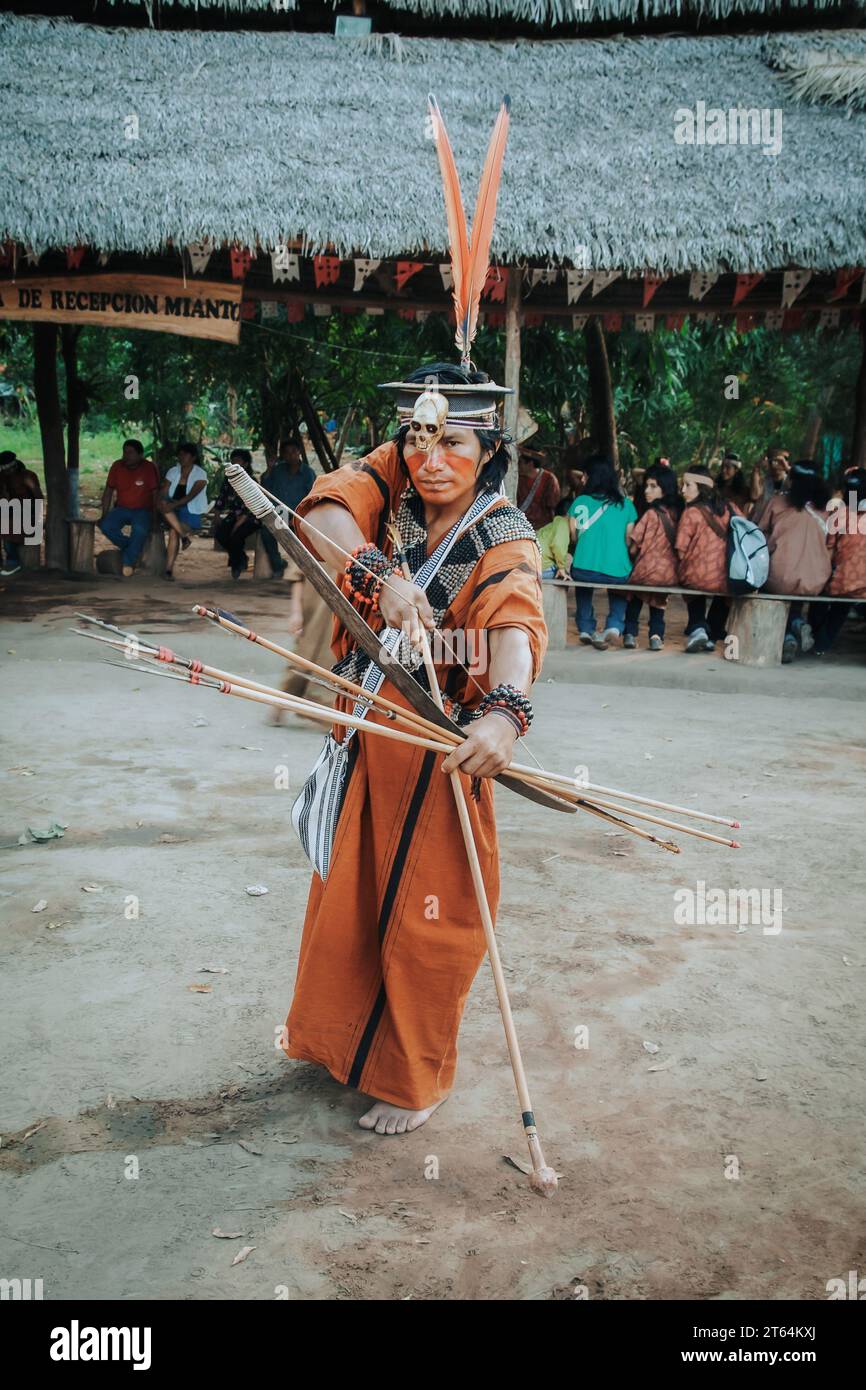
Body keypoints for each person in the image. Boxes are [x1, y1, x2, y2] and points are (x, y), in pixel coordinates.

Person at [278, 360, 546, 1137]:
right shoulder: (389, 476)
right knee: (348, 899)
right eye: (420, 441)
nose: (433, 461)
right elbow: (322, 515)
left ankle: (416, 1078)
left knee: (432, 919)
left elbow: (514, 620)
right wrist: (373, 572)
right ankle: (340, 1046)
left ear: (488, 450)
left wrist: (504, 715)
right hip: (364, 731)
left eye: (454, 445)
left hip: (439, 748)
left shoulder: (505, 531)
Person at [758, 461, 831, 662]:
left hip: (780, 577)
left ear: (791, 480)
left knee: (774, 583)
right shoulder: (826, 510)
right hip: (816, 580)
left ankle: (788, 634)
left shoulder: (777, 503)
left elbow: (759, 535)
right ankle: (797, 621)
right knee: (795, 589)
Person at [568, 454, 638, 649]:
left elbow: (572, 536)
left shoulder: (579, 502)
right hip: (616, 571)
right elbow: (628, 539)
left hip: (583, 568)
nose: (582, 479)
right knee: (620, 586)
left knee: (583, 587)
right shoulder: (626, 505)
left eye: (585, 475)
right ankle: (614, 626)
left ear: (593, 477)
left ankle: (585, 628)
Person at [675, 466, 735, 652]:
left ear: (701, 487)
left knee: (692, 583)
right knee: (723, 594)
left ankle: (698, 627)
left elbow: (680, 549)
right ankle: (712, 635)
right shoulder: (731, 508)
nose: (683, 490)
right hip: (727, 576)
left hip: (697, 576)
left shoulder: (691, 512)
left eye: (687, 485)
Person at [623, 463, 682, 650]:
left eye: (653, 486)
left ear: (665, 489)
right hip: (667, 574)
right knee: (658, 604)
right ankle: (656, 636)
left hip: (644, 571)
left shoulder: (650, 514)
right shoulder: (679, 515)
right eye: (647, 486)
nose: (647, 490)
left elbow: (633, 546)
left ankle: (630, 634)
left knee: (635, 599)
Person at [811, 468, 866, 655]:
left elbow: (829, 549)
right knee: (842, 604)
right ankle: (821, 644)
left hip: (842, 584)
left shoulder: (840, 515)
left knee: (824, 595)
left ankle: (818, 642)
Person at [99, 439, 160, 576]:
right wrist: (104, 514)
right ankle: (132, 549)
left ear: (140, 455)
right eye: (124, 452)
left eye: (130, 453)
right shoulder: (117, 466)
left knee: (139, 530)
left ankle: (128, 563)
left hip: (143, 510)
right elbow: (108, 491)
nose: (126, 455)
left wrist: (155, 518)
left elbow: (155, 494)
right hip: (122, 509)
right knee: (106, 526)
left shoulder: (148, 468)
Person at [259, 444, 317, 577]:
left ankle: (306, 570)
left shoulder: (308, 473)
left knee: (305, 537)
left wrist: (296, 517)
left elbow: (312, 497)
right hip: (280, 512)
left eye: (293, 451)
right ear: (283, 455)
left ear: (299, 452)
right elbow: (265, 487)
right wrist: (269, 469)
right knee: (267, 533)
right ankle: (278, 566)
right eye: (287, 452)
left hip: (300, 514)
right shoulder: (277, 470)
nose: (291, 455)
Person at [158, 443, 209, 581]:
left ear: (193, 457)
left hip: (191, 511)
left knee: (173, 531)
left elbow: (191, 496)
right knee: (162, 503)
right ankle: (184, 538)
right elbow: (164, 491)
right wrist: (164, 501)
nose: (181, 457)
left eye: (185, 454)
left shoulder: (201, 474)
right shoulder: (173, 471)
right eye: (180, 454)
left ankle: (168, 570)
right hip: (172, 510)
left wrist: (173, 504)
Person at [213, 449, 262, 579]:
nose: (234, 463)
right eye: (232, 461)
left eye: (238, 461)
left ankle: (236, 565)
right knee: (220, 535)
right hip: (234, 516)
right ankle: (241, 558)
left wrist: (237, 525)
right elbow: (221, 499)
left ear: (245, 464)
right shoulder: (228, 481)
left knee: (236, 536)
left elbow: (251, 508)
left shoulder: (252, 482)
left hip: (252, 517)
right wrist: (216, 516)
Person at [0, 450, 43, 575]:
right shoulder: (2, 477)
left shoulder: (27, 476)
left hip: (27, 511)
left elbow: (38, 498)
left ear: (14, 466)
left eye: (9, 469)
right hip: (10, 510)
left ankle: (13, 562)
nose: (7, 472)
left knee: (8, 526)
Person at [516, 446, 560, 531]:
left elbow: (553, 507)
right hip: (520, 526)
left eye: (521, 462)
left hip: (542, 529)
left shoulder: (549, 479)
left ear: (530, 464)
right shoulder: (518, 479)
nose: (518, 465)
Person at [749, 446, 790, 526]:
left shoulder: (790, 481)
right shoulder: (763, 481)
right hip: (761, 525)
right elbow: (754, 496)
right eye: (774, 460)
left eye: (781, 460)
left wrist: (787, 468)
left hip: (781, 525)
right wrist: (756, 469)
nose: (777, 464)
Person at [537, 499, 575, 579]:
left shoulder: (553, 525)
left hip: (533, 566)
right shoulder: (562, 523)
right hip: (543, 568)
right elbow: (558, 545)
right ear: (570, 515)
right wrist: (561, 567)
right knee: (565, 575)